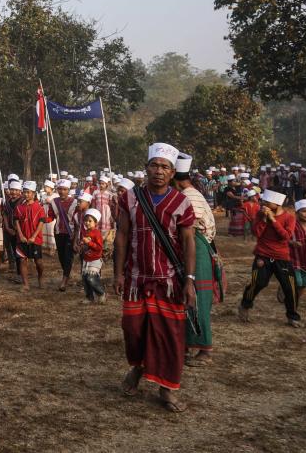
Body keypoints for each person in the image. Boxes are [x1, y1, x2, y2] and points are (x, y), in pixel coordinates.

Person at [114, 142, 196, 413]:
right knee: (133, 331)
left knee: (170, 337)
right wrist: (118, 273)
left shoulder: (182, 203)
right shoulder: (129, 198)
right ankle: (137, 367)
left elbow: (188, 243)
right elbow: (122, 236)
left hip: (168, 281)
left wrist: (190, 280)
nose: (158, 171)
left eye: (165, 167)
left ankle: (167, 389)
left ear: (172, 173)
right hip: (136, 279)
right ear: (146, 168)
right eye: (154, 165)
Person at [172, 154, 222, 366]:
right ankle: (187, 344)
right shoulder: (190, 194)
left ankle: (204, 349)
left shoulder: (189, 197)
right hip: (196, 247)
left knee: (197, 299)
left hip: (197, 249)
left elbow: (188, 231)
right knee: (187, 300)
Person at [238, 189, 302, 328]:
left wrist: (273, 220)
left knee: (290, 288)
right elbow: (257, 233)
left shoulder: (289, 217)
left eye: (267, 202)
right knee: (258, 283)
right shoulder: (261, 214)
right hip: (263, 255)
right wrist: (264, 220)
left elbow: (285, 236)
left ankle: (292, 316)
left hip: (282, 257)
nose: (263, 204)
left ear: (277, 203)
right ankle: (245, 305)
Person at [14, 181, 51, 290]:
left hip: (35, 239)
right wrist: (20, 235)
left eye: (28, 192)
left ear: (33, 193)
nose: (26, 194)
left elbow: (41, 223)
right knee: (22, 260)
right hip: (22, 239)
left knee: (38, 262)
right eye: (25, 192)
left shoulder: (39, 207)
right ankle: (26, 284)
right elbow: (16, 222)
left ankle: (40, 277)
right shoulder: (19, 207)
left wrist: (34, 236)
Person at [49, 179, 77, 291]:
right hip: (58, 231)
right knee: (61, 256)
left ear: (68, 190)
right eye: (60, 189)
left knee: (68, 256)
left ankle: (64, 280)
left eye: (64, 189)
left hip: (70, 232)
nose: (62, 191)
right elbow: (51, 216)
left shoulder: (75, 202)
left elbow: (77, 219)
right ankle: (67, 274)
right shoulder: (54, 202)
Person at [289, 200, 306, 306]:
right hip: (294, 258)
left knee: (304, 284)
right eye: (304, 211)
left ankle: (295, 300)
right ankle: (290, 300)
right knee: (298, 282)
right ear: (296, 213)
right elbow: (284, 238)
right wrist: (292, 242)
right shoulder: (292, 226)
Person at [80, 208, 105, 303]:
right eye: (86, 221)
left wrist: (89, 243)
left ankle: (101, 293)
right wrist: (81, 244)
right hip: (86, 259)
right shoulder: (86, 232)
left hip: (95, 259)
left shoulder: (97, 233)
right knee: (85, 279)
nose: (87, 223)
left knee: (91, 278)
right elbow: (85, 244)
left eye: (90, 221)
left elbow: (99, 247)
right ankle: (89, 297)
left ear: (96, 222)